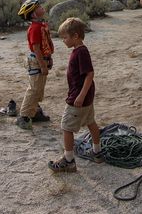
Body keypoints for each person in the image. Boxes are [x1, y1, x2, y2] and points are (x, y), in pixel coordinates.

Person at [48, 17, 103, 173]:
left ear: (75, 36)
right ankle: (97, 151)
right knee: (90, 121)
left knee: (66, 127)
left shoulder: (81, 52)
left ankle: (69, 160)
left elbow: (90, 74)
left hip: (79, 97)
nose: (63, 41)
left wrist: (80, 95)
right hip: (84, 96)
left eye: (65, 37)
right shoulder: (78, 51)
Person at [15, 0, 54, 130]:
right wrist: (43, 65)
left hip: (43, 59)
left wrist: (49, 58)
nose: (42, 7)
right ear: (33, 14)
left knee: (39, 88)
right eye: (38, 7)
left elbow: (46, 44)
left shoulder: (43, 25)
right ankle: (24, 115)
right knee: (34, 89)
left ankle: (34, 112)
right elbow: (36, 48)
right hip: (37, 62)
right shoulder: (34, 29)